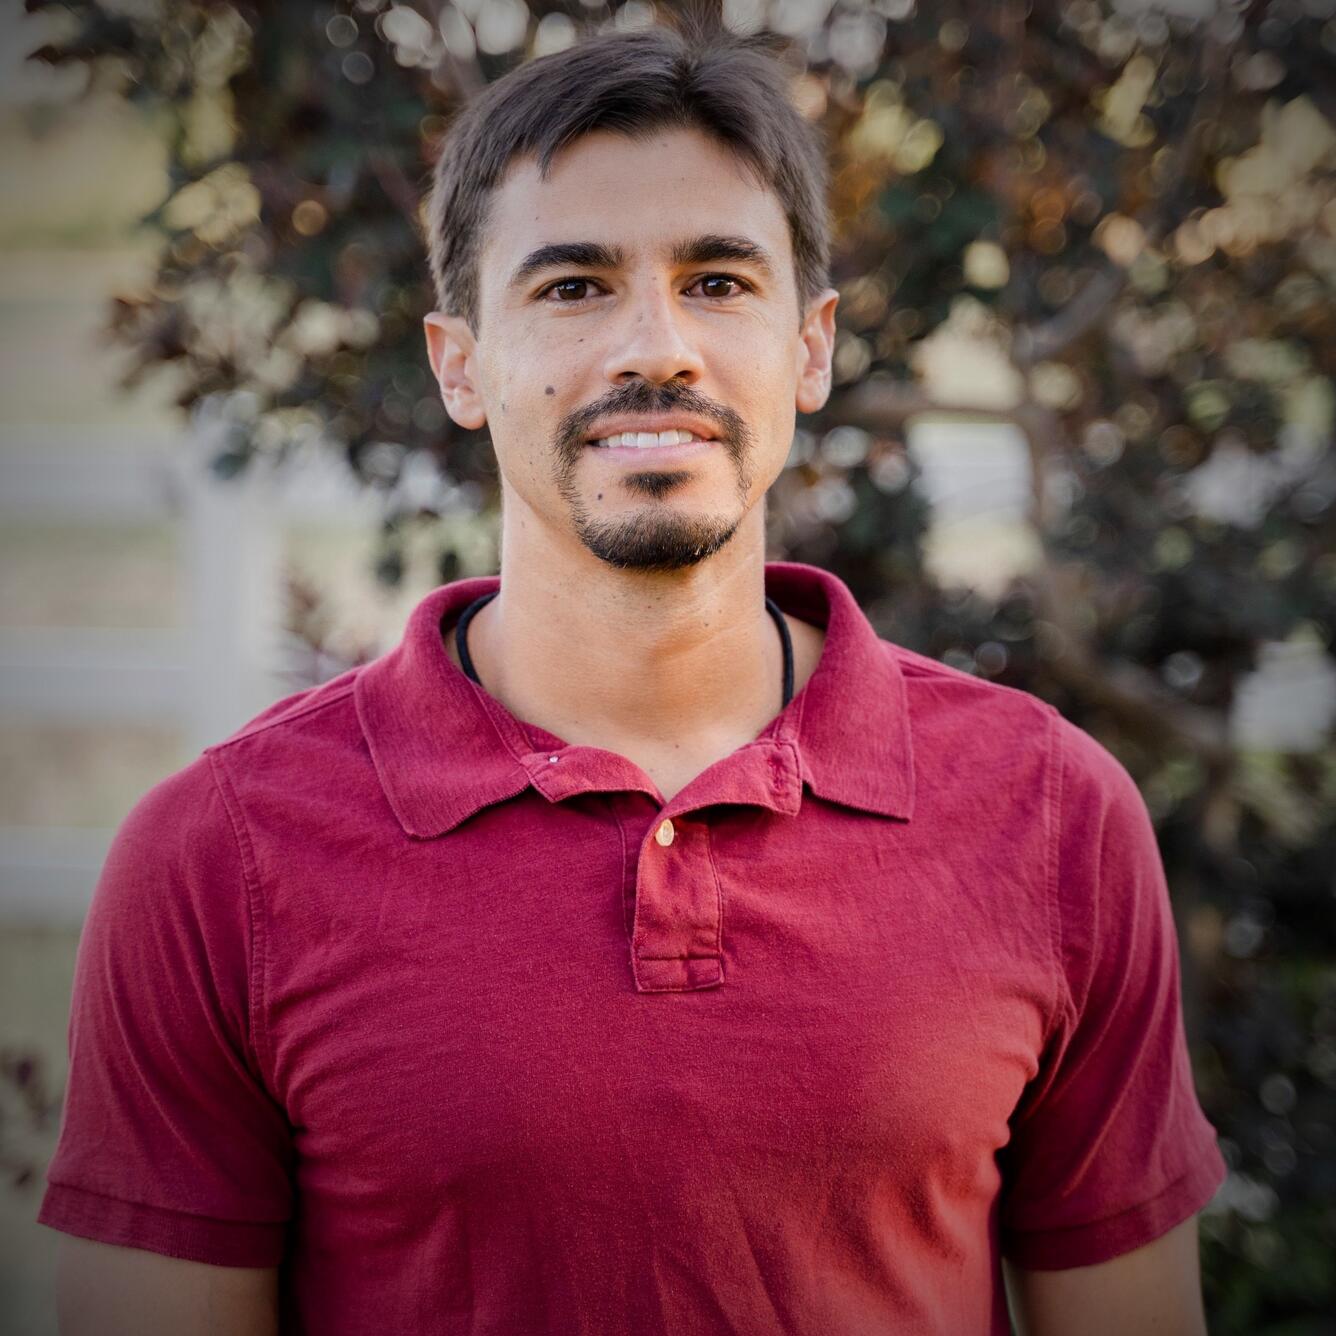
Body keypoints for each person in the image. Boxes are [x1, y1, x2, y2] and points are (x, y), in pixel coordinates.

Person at [40, 21, 1225, 1336]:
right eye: (572, 288)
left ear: (812, 348)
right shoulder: (221, 859)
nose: (654, 347)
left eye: (720, 282)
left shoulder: (1051, 814)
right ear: (459, 363)